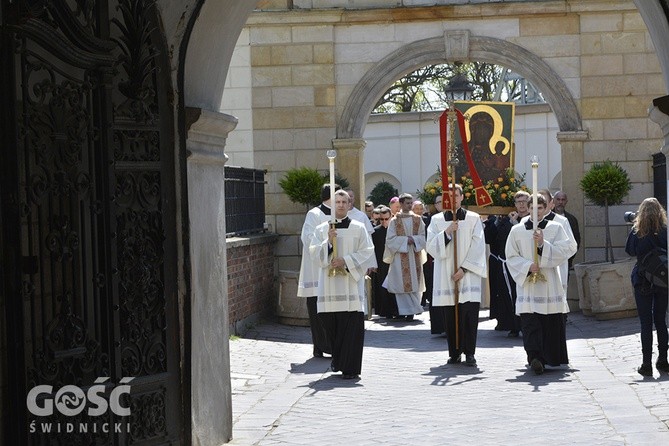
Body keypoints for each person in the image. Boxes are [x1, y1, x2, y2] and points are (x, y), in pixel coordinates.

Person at [505, 195, 577, 375]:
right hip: (528, 283)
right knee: (530, 321)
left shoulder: (556, 228)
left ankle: (548, 357)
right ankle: (534, 357)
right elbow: (511, 256)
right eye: (532, 207)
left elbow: (569, 248)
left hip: (549, 282)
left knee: (548, 321)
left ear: (545, 208)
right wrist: (527, 266)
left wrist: (544, 245)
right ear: (527, 209)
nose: (535, 211)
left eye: (539, 207)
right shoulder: (517, 230)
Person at [309, 189, 374, 379]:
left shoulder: (359, 228)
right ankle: (337, 360)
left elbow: (367, 251)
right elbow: (314, 253)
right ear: (332, 204)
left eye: (344, 202)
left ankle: (351, 368)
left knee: (351, 328)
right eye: (337, 202)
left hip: (350, 286)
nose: (340, 205)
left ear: (349, 205)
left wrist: (345, 261)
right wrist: (328, 243)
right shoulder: (322, 229)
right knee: (331, 326)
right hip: (329, 287)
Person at [427, 184, 487, 366]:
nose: (453, 199)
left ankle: (470, 352)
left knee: (469, 314)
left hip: (467, 274)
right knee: (450, 314)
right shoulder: (437, 220)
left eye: (456, 195)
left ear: (462, 197)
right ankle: (454, 352)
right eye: (449, 195)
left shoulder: (473, 218)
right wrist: (446, 232)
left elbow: (478, 246)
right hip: (446, 273)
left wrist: (464, 269)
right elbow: (430, 246)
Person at [624, 197, 668, 377]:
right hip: (663, 280)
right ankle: (664, 360)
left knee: (645, 322)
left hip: (642, 279)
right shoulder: (665, 230)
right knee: (661, 320)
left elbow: (630, 251)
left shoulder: (637, 230)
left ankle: (646, 364)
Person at [297, 184, 339, 357]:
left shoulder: (341, 215)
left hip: (336, 269)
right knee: (317, 310)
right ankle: (320, 345)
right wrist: (328, 242)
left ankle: (332, 343)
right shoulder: (314, 214)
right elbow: (307, 240)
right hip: (317, 270)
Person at [483, 190, 530, 337]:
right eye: (518, 202)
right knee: (509, 295)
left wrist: (515, 223)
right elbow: (495, 239)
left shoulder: (531, 220)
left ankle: (526, 324)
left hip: (527, 263)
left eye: (524, 201)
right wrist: (496, 221)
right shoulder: (506, 219)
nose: (521, 205)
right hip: (509, 264)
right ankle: (513, 325)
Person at [385, 193, 426, 320]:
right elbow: (390, 239)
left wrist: (413, 239)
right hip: (399, 257)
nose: (409, 205)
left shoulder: (418, 219)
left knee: (414, 282)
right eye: (407, 203)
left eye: (410, 203)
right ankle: (404, 311)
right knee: (400, 284)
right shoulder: (394, 221)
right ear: (401, 204)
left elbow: (424, 237)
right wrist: (404, 241)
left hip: (414, 256)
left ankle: (413, 310)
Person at [371, 206, 398, 318]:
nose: (384, 221)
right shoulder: (376, 231)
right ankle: (386, 311)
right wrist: (373, 264)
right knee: (383, 288)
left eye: (386, 219)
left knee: (395, 288)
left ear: (391, 217)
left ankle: (396, 310)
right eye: (381, 219)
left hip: (394, 262)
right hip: (381, 264)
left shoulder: (396, 230)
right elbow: (373, 249)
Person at [553, 191, 581, 269]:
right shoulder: (546, 218)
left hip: (566, 261)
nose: (560, 202)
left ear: (566, 201)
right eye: (558, 199)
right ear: (553, 201)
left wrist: (570, 257)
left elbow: (576, 240)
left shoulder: (572, 219)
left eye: (563, 200)